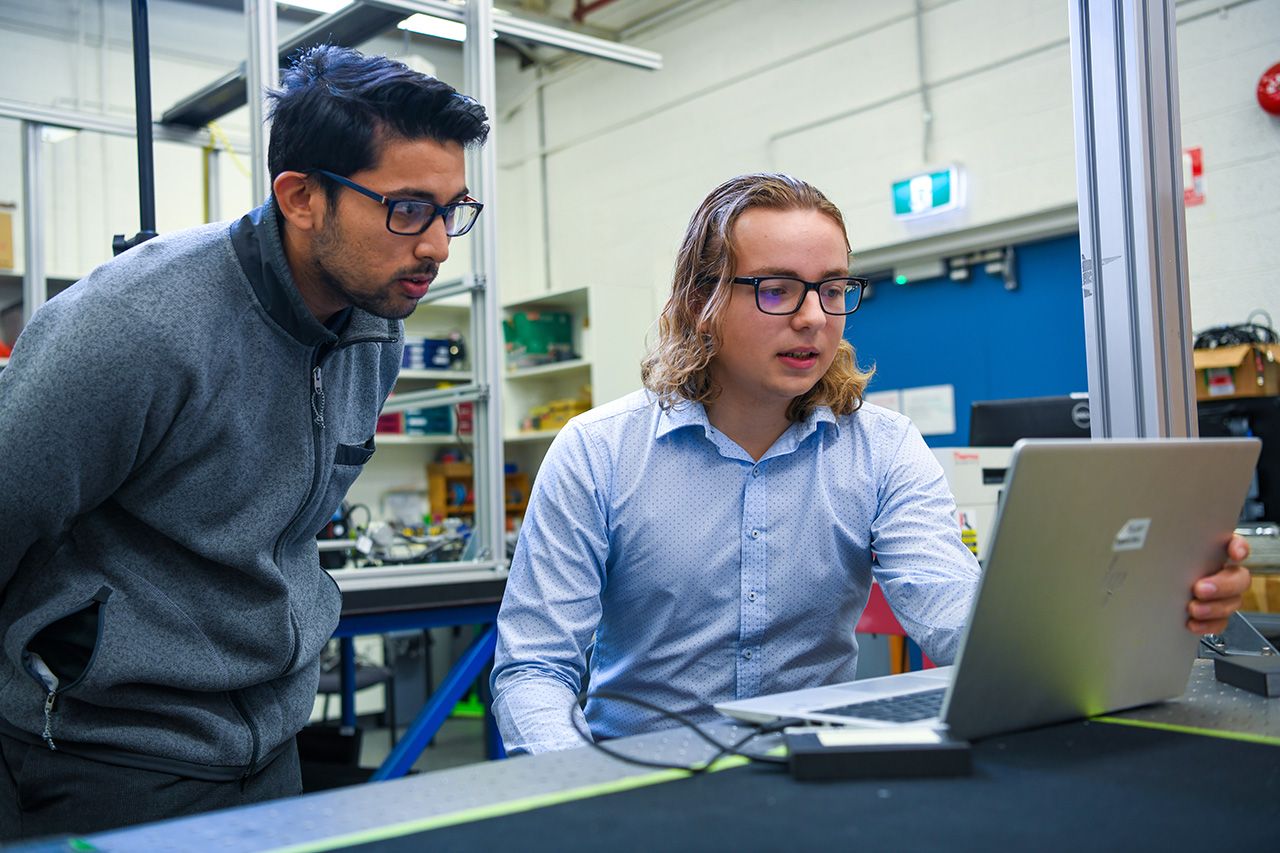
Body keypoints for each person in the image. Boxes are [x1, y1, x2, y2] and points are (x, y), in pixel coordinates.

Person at [490, 172, 1252, 755]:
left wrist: (1137, 611)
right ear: (700, 302)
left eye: (832, 289)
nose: (813, 318)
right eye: (776, 289)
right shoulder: (598, 452)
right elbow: (535, 669)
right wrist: (579, 785)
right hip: (639, 774)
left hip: (813, 772)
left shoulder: (882, 448)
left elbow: (950, 610)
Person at [0, 46, 488, 838]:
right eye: (406, 209)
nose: (436, 245)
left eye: (451, 210)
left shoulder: (375, 327)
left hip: (270, 747)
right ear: (301, 197)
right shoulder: (136, 326)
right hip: (108, 756)